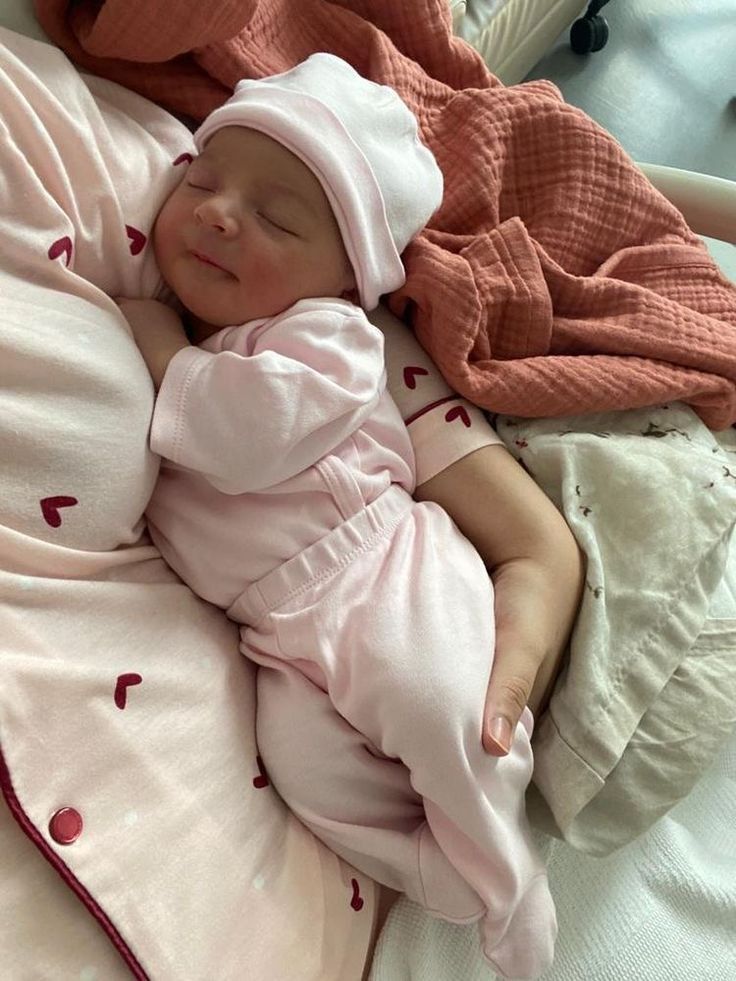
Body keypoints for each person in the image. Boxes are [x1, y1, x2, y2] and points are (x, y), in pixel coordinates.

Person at [117, 53, 576, 978]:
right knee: (302, 767)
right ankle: (439, 874)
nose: (215, 212)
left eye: (277, 218)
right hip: (272, 627)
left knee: (438, 704)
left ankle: (511, 886)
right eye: (203, 181)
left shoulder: (331, 340)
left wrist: (167, 355)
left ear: (343, 278)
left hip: (376, 574)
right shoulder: (212, 333)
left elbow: (243, 439)